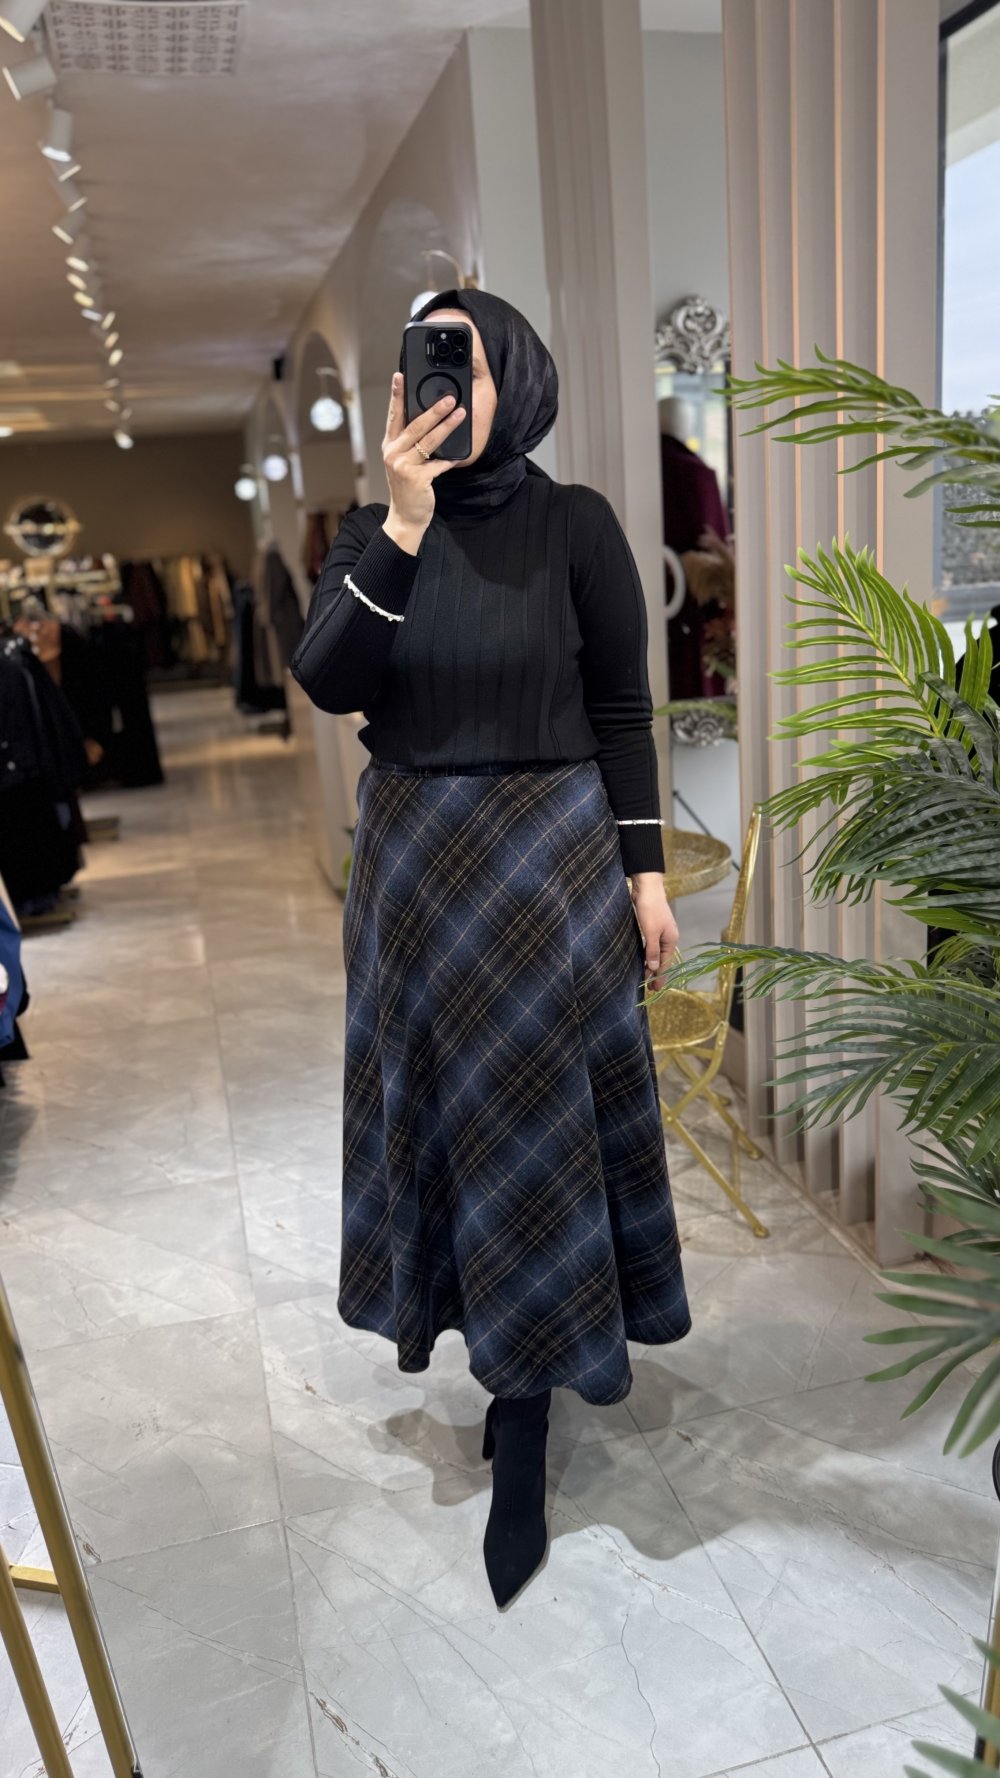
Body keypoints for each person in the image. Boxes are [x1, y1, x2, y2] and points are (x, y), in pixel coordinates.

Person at [291, 288, 691, 1610]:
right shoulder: (373, 535)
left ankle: (525, 1411)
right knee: (444, 1126)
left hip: (552, 872)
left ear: (513, 372)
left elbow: (623, 707)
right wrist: (404, 523)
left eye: (463, 360)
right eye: (427, 362)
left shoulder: (577, 526)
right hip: (417, 878)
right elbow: (331, 680)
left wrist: (646, 876)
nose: (443, 385)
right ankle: (492, 1351)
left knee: (538, 1133)